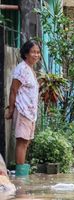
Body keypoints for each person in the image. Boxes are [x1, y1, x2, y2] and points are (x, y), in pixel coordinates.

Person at [5, 40, 41, 176]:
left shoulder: (30, 69)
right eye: (33, 52)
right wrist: (11, 109)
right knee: (22, 142)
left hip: (30, 113)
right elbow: (13, 90)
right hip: (23, 110)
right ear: (26, 53)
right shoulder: (22, 68)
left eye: (38, 52)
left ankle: (22, 173)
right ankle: (21, 176)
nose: (36, 55)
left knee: (26, 142)